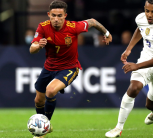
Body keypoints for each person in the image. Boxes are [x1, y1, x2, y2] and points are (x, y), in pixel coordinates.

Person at [29, 0, 112, 138]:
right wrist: (38, 46)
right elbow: (32, 49)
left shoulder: (74, 27)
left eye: (59, 16)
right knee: (38, 100)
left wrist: (107, 33)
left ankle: (44, 127)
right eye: (53, 15)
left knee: (50, 90)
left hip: (69, 68)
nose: (56, 19)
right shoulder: (42, 27)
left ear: (65, 16)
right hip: (48, 68)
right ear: (49, 14)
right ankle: (42, 124)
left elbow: (92, 21)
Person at [105, 0, 153, 137]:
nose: (149, 15)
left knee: (150, 104)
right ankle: (118, 128)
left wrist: (136, 66)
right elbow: (140, 29)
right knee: (133, 88)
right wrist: (129, 49)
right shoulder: (141, 18)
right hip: (145, 58)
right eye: (147, 10)